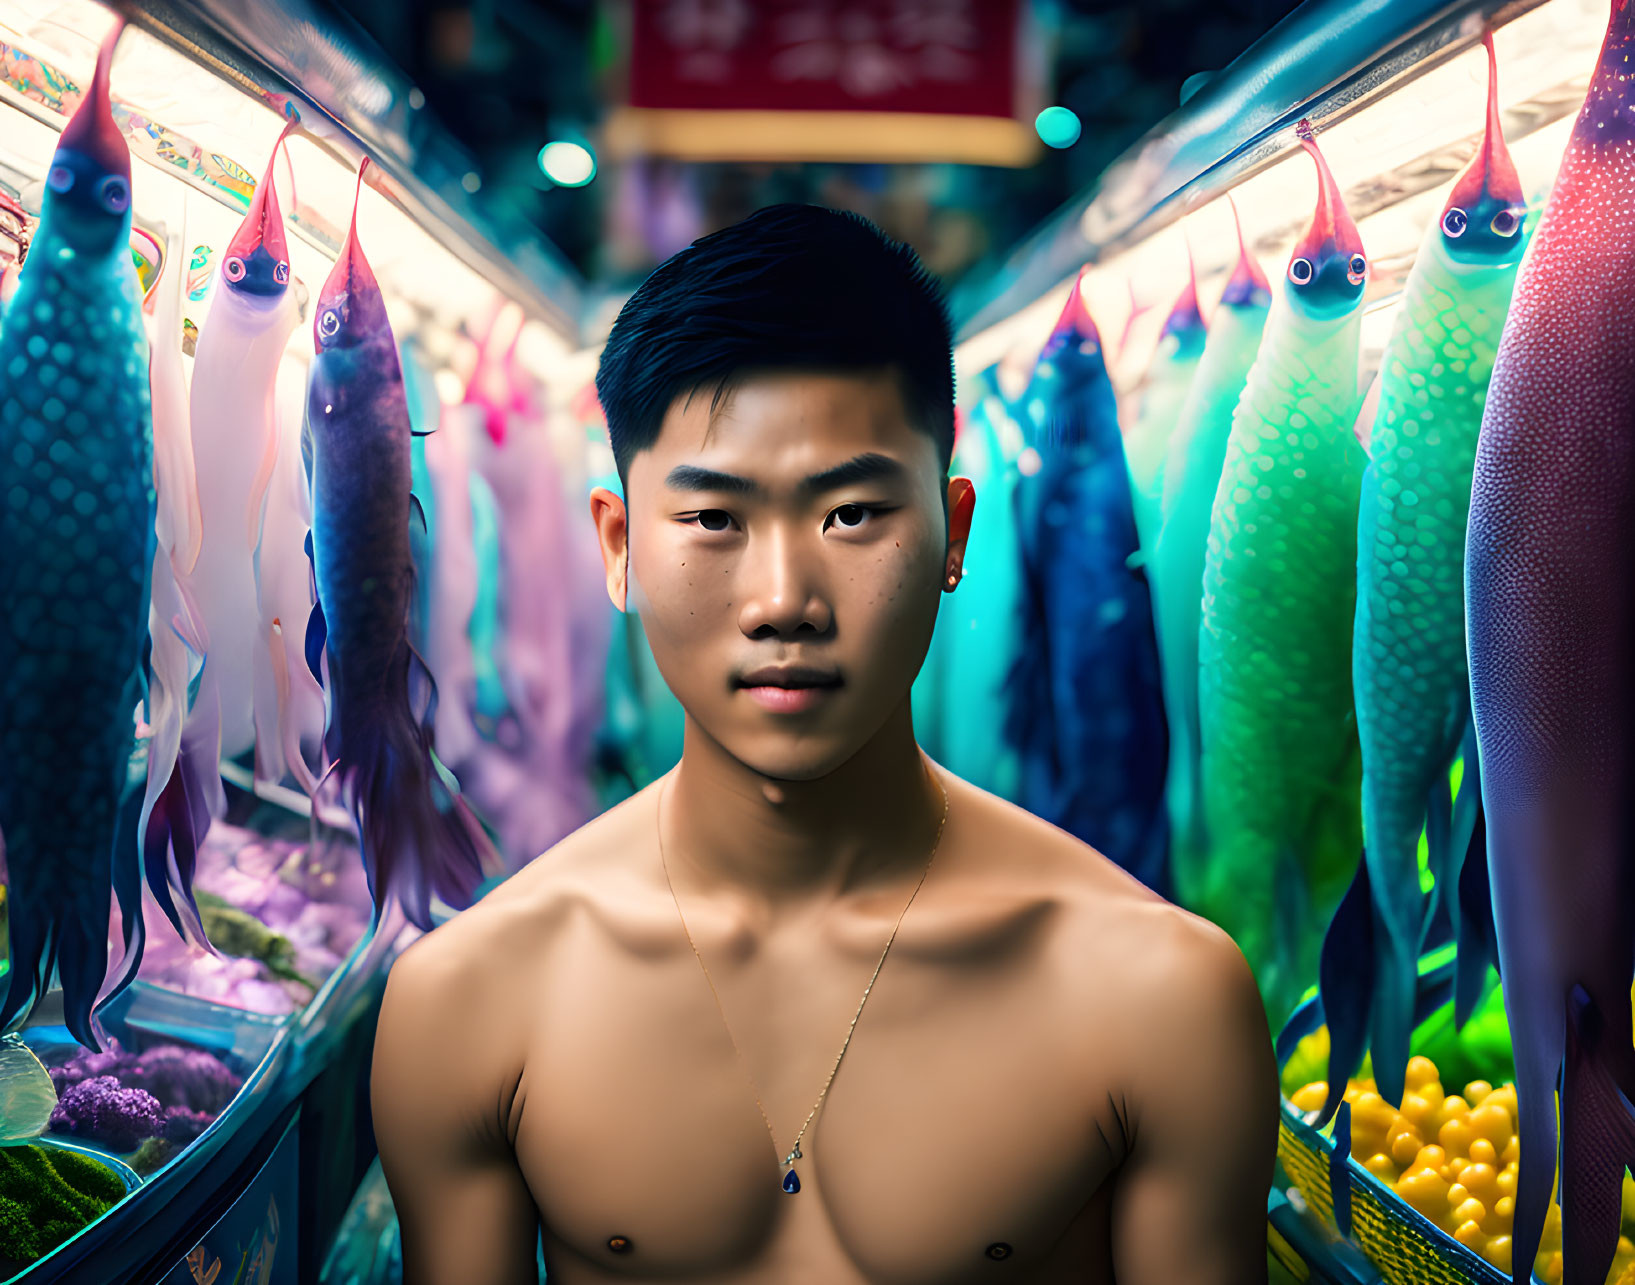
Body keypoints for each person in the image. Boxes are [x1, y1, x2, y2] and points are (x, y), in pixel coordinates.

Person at [371, 204, 1279, 1284]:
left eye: (851, 514)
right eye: (713, 519)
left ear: (952, 534)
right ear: (618, 547)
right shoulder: (473, 997)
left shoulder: (1160, 995)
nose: (783, 601)